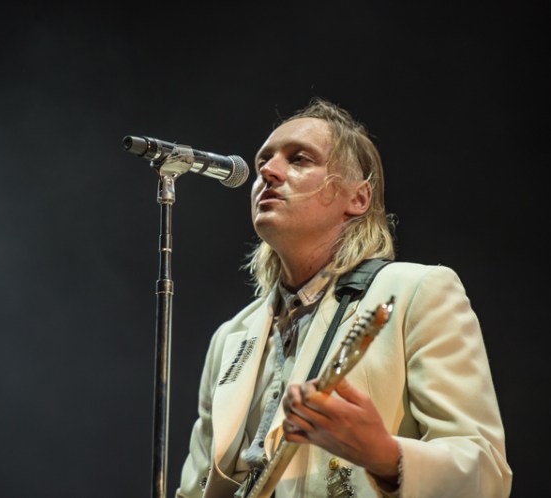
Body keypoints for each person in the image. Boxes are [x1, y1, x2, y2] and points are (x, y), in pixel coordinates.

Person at [175, 97, 512, 497]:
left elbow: (485, 472)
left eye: (299, 159)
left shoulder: (417, 291)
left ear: (358, 198)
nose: (267, 171)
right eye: (263, 160)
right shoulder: (230, 336)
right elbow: (193, 488)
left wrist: (386, 456)